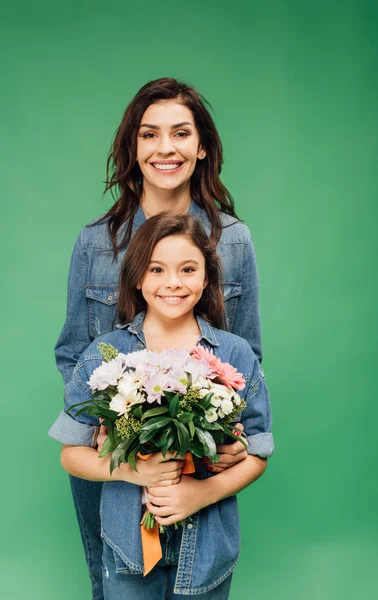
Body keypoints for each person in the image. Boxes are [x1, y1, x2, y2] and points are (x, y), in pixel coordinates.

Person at [53, 77, 262, 600]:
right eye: (149, 134)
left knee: (199, 576)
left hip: (199, 458)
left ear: (202, 147)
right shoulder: (96, 241)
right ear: (133, 147)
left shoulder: (232, 240)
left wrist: (226, 439)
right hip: (113, 456)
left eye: (180, 133)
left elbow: (247, 353)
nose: (165, 147)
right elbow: (73, 351)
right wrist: (108, 434)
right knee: (117, 579)